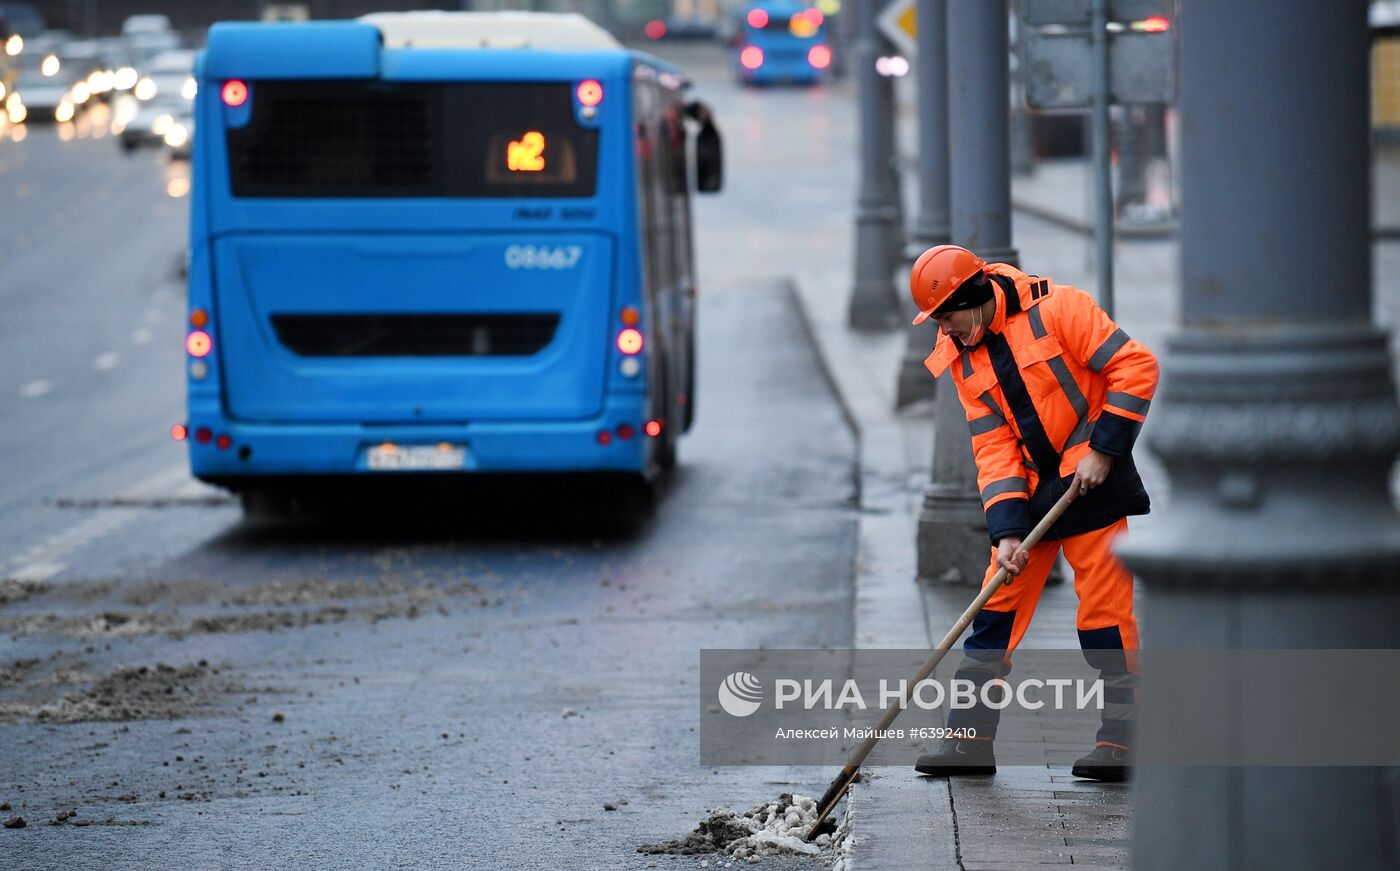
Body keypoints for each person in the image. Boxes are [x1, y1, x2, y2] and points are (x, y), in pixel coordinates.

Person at [907, 244, 1158, 782]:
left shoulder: (1059, 307)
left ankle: (1122, 739)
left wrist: (1104, 448)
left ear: (972, 297)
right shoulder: (961, 354)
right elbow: (993, 445)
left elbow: (1135, 366)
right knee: (993, 609)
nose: (946, 332)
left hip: (1090, 484)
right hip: (1031, 495)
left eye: (948, 319)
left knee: (1104, 616)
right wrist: (1006, 532)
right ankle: (969, 742)